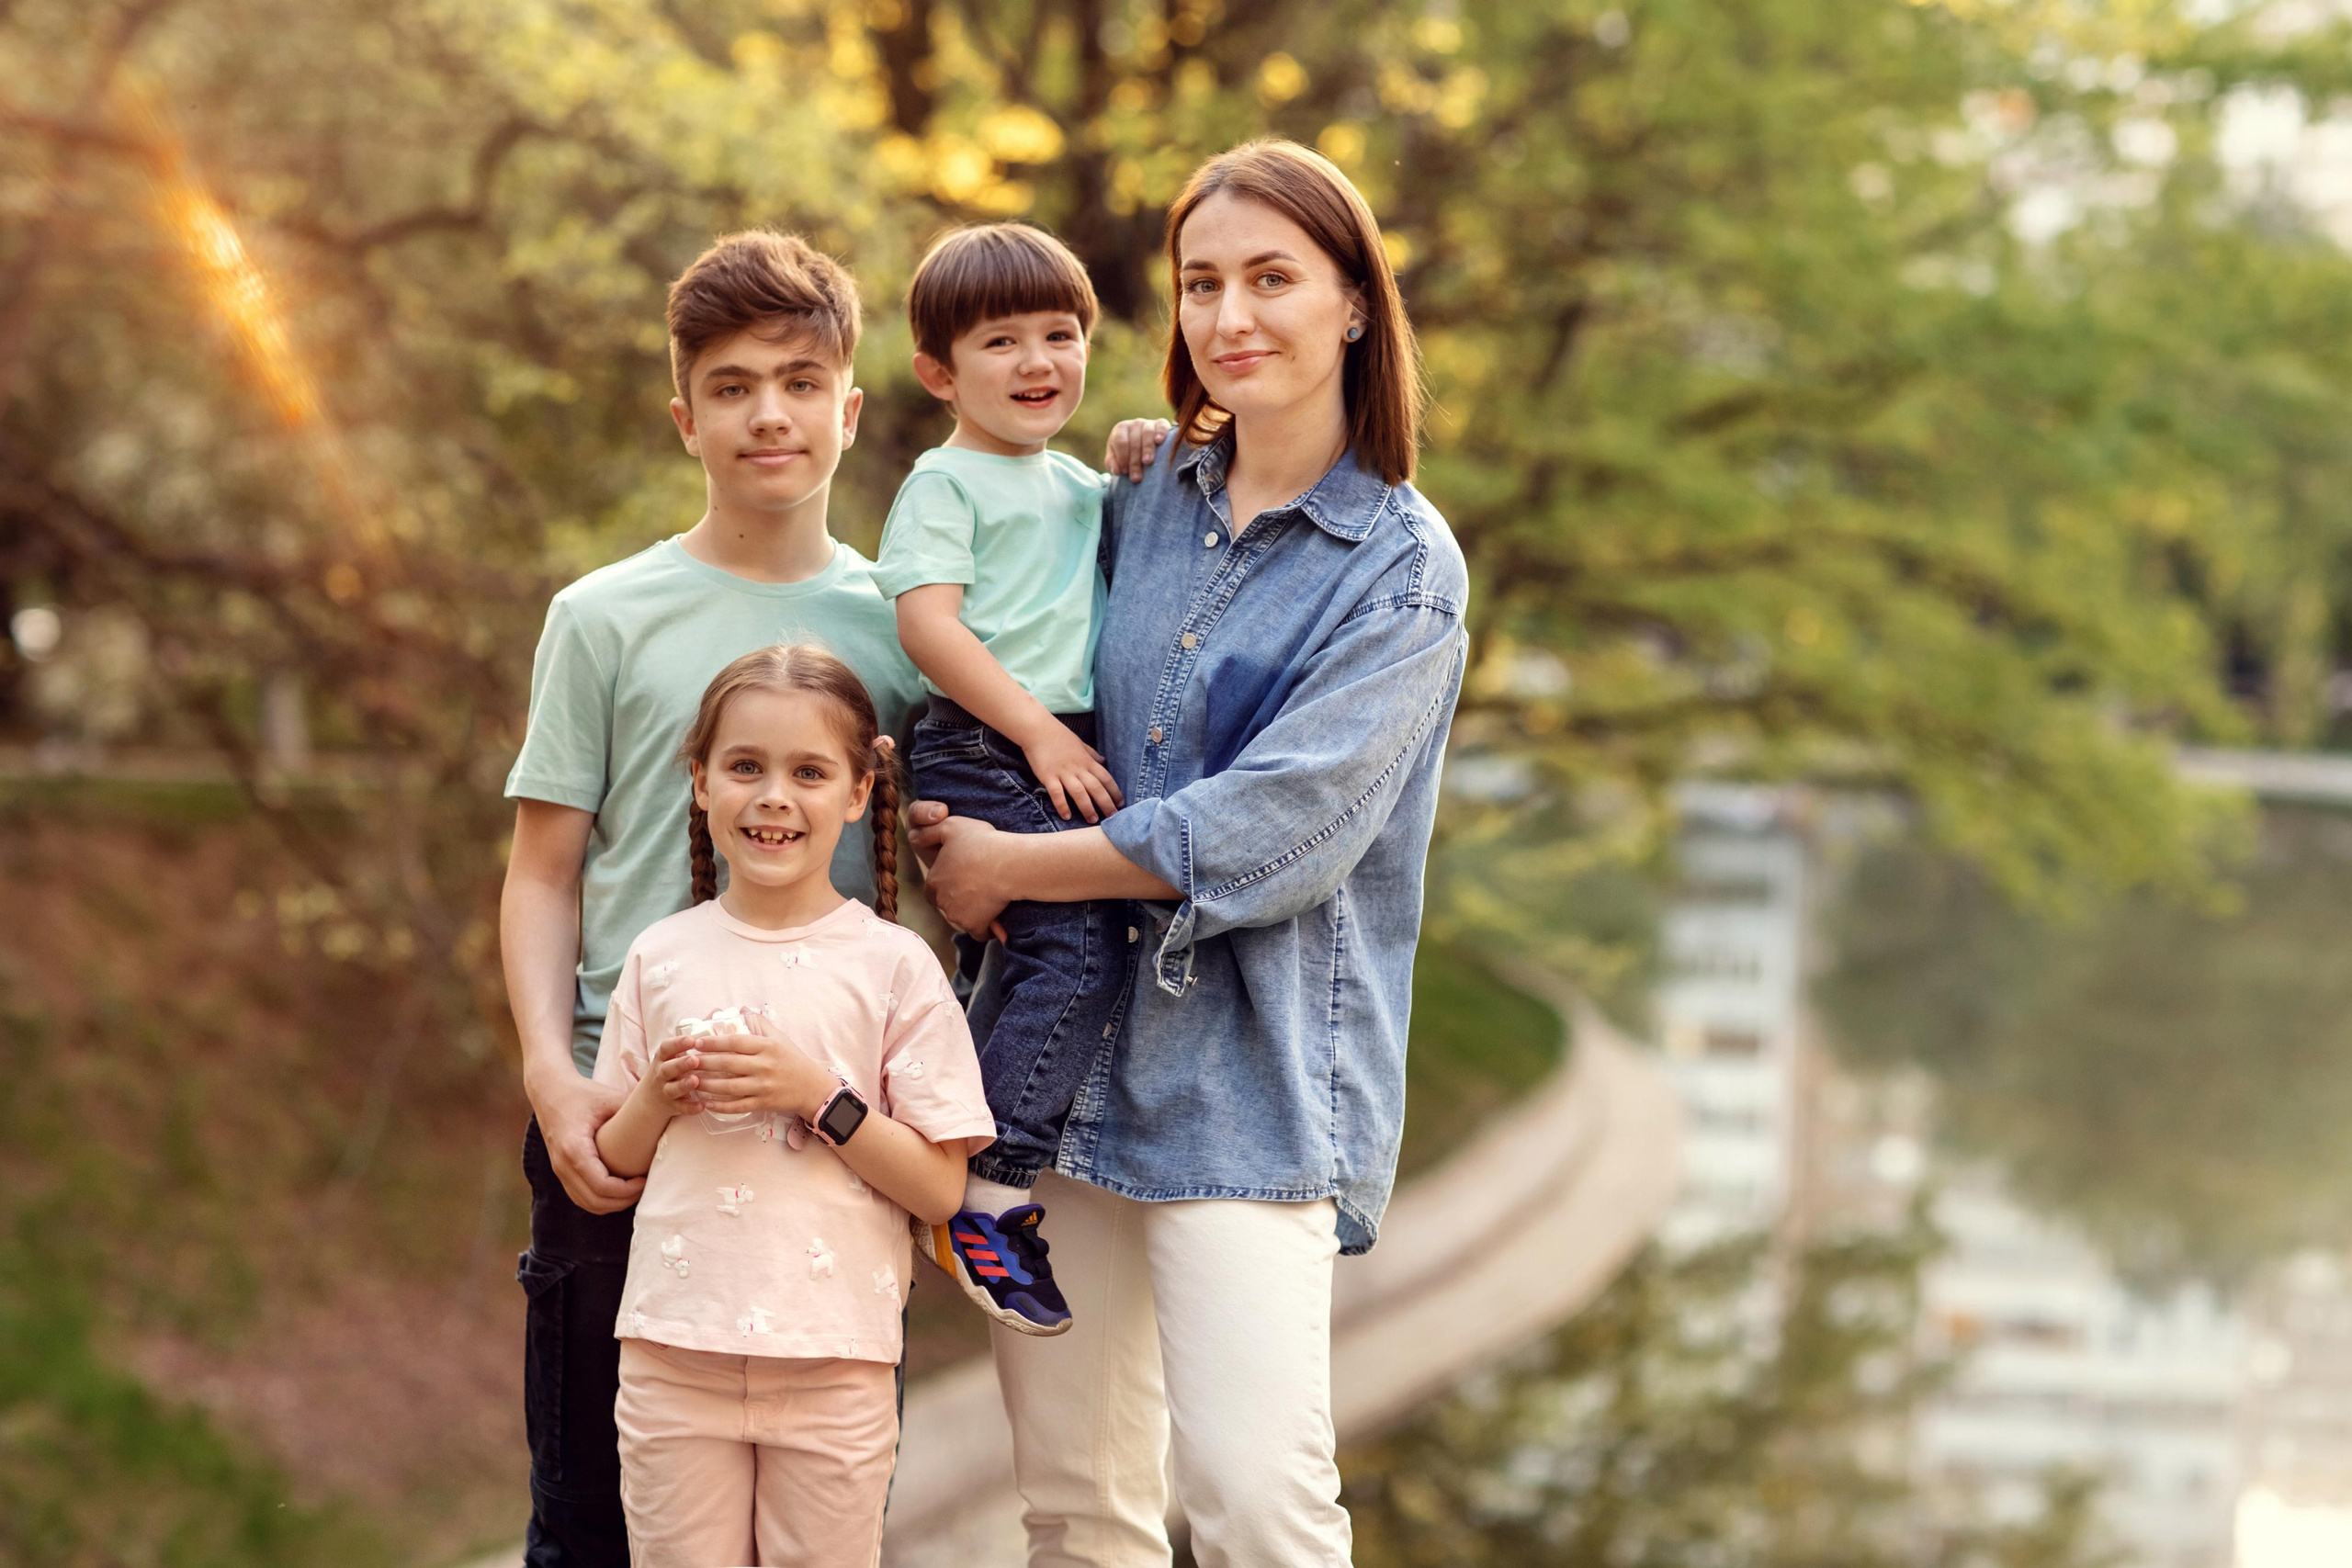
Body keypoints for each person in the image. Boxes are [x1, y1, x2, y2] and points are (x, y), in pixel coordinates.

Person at [912, 139, 1470, 1567]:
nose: (1232, 317)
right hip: (1064, 1068)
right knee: (1080, 1509)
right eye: (1203, 283)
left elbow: (1279, 831)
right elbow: (987, 629)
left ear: (1354, 303)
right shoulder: (1141, 498)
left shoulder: (1401, 569)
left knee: (1255, 1504)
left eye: (1272, 278)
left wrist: (1012, 869)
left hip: (1251, 1087)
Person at [499, 231, 924, 1567]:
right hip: (624, 1125)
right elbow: (542, 869)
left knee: (811, 1525)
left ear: (850, 411)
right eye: (733, 386)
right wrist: (551, 1082)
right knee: (591, 1526)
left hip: (828, 1145)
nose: (769, 413)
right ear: (686, 417)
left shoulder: (910, 629)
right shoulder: (601, 615)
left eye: (801, 380)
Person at [591, 644, 996, 1566]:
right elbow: (612, 1159)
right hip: (670, 1356)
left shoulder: (894, 966)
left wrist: (818, 1095)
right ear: (700, 782)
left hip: (834, 1365)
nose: (774, 796)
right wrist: (657, 1094)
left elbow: (938, 1189)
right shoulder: (660, 955)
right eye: (745, 767)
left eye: (808, 772)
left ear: (858, 793)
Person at [876, 222, 1128, 1337]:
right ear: (940, 373)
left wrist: (1147, 443)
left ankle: (944, 1153)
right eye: (1000, 342)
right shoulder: (944, 482)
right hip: (989, 743)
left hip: (1054, 742)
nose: (1037, 362)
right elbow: (928, 629)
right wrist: (1038, 737)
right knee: (1077, 946)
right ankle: (986, 1191)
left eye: (1060, 335)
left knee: (1028, 963)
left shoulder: (1076, 484)